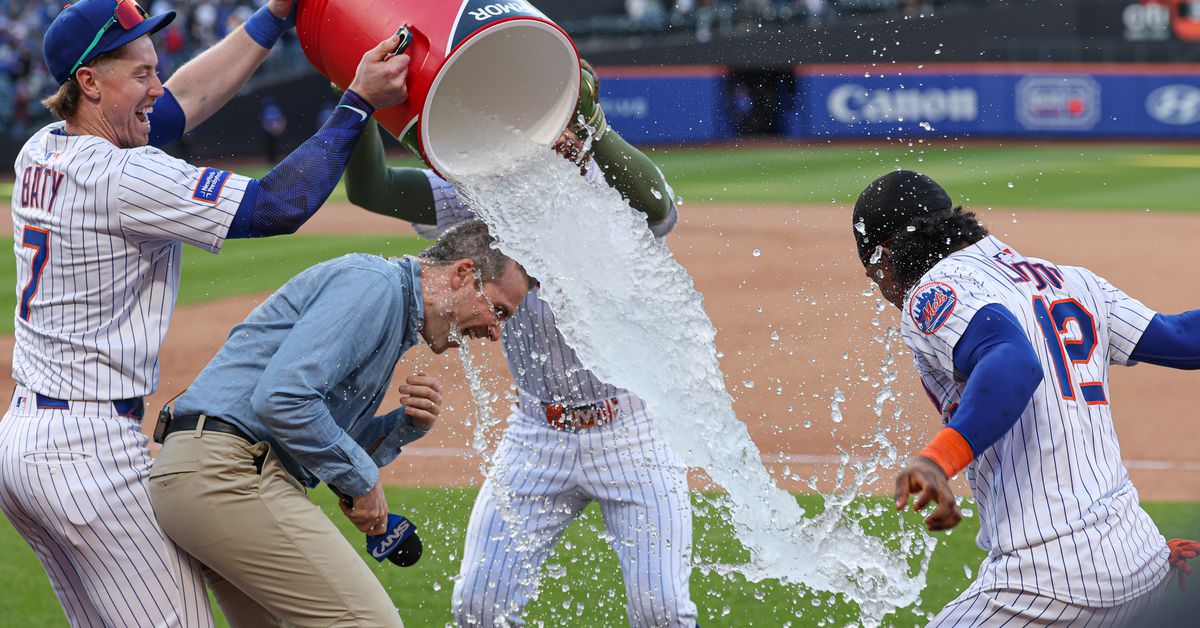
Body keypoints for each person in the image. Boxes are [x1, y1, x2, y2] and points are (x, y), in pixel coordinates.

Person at [0, 0, 409, 625]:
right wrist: (356, 102)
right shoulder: (121, 174)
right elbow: (278, 206)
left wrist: (272, 18)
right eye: (140, 74)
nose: (157, 88)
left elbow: (183, 98)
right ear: (88, 82)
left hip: (26, 444)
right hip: (89, 457)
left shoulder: (41, 147)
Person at [345, 63, 699, 626]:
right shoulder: (481, 196)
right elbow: (372, 188)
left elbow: (661, 210)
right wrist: (360, 97)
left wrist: (594, 128)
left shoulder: (611, 189)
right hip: (538, 435)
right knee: (478, 608)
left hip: (633, 431)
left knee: (661, 611)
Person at [853, 170, 1200, 625]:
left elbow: (1014, 363)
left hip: (1044, 583)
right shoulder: (1071, 280)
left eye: (873, 273)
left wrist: (939, 459)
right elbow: (1183, 338)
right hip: (1139, 563)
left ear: (887, 253)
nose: (881, 290)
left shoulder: (934, 291)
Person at [148, 220, 534, 627]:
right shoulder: (376, 286)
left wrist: (404, 425)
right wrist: (362, 480)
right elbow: (283, 399)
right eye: (498, 311)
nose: (495, 332)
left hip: (210, 475)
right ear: (462, 274)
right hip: (229, 474)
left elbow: (310, 433)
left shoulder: (390, 306)